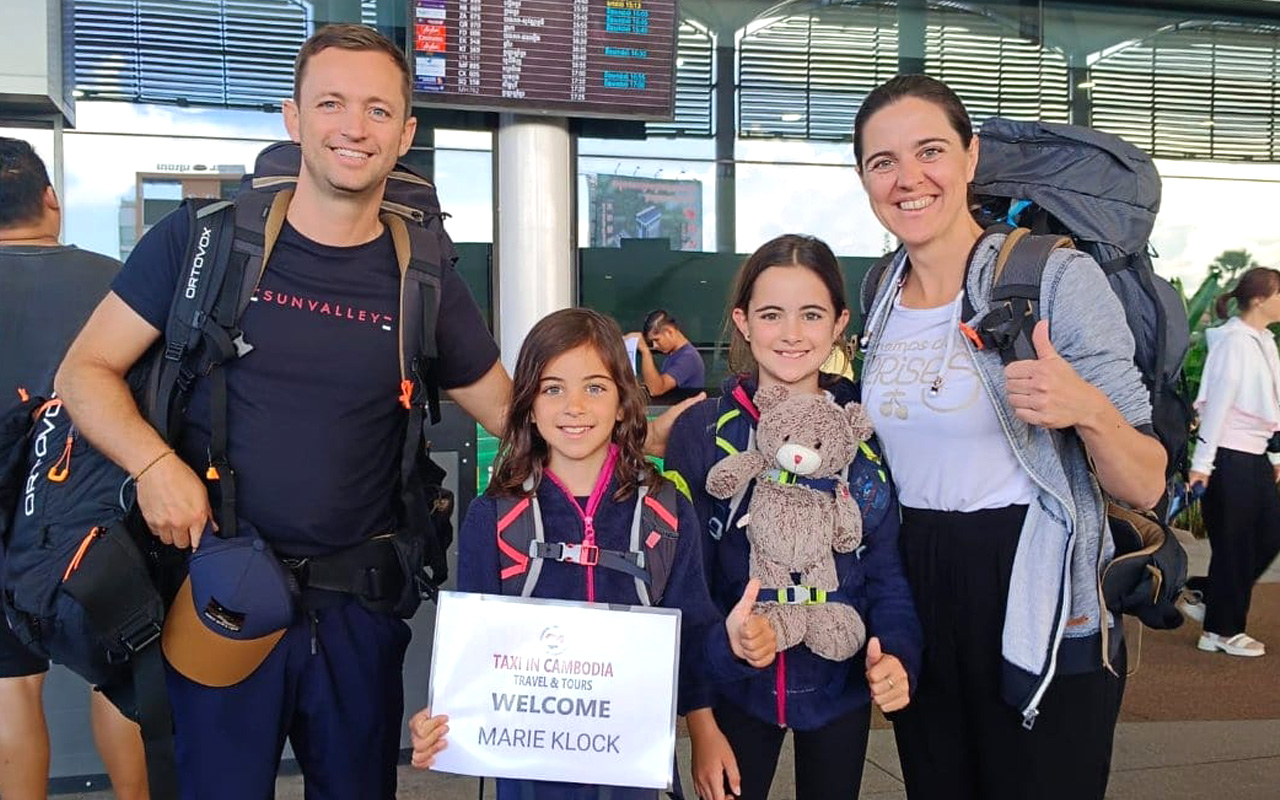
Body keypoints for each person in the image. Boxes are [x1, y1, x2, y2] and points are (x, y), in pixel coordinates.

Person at [53, 25, 512, 799]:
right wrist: (156, 465)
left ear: (406, 133)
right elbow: (84, 371)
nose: (352, 128)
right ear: (294, 119)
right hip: (220, 594)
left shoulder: (424, 274)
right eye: (330, 103)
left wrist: (653, 437)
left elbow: (511, 411)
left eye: (376, 110)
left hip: (358, 612)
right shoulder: (200, 245)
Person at [854, 75, 1165, 800]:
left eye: (930, 151)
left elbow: (1147, 481)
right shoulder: (878, 292)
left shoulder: (1054, 276)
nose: (908, 179)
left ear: (971, 157)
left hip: (1034, 578)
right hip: (919, 580)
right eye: (882, 162)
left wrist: (1084, 407)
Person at [407, 307, 775, 799]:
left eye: (595, 387)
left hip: (634, 772)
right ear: (529, 405)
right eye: (552, 387)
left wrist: (723, 670)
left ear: (624, 403)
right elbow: (475, 660)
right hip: (531, 777)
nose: (573, 406)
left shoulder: (665, 513)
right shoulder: (493, 519)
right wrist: (440, 718)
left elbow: (690, 641)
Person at [661, 234, 922, 800]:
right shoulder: (701, 433)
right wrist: (700, 724)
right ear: (743, 322)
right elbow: (688, 588)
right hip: (735, 687)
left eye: (811, 314)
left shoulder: (866, 438)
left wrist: (898, 653)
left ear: (838, 324)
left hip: (839, 683)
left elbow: (886, 570)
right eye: (772, 314)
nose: (792, 333)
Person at [0, 136, 149, 800]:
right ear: (51, 202)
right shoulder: (119, 282)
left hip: (6, 524)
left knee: (10, 694)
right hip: (99, 522)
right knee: (123, 682)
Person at [1179, 267, 1280, 657]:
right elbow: (1217, 406)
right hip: (1227, 457)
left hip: (1254, 456)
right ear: (1258, 299)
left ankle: (1208, 592)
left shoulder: (1263, 341)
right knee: (1234, 546)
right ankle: (1220, 631)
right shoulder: (1234, 343)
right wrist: (1202, 464)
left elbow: (1270, 404)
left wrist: (1273, 454)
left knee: (1270, 534)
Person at [627, 309, 705, 397]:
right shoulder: (674, 355)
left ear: (669, 332)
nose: (654, 345)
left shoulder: (689, 358)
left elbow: (656, 389)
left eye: (656, 340)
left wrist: (645, 351)